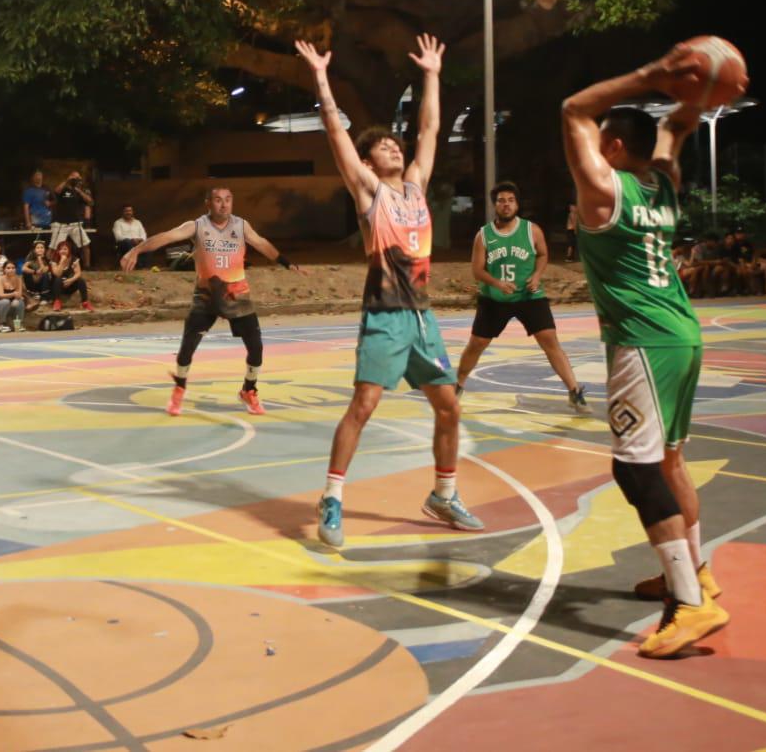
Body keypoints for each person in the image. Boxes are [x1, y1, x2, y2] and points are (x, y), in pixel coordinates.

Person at [560, 41, 729, 659]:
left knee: (633, 468)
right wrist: (691, 103)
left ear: (611, 148)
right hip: (683, 334)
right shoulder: (661, 185)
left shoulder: (605, 192)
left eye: (601, 138)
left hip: (643, 343)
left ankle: (689, 603)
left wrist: (654, 77)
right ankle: (694, 572)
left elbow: (573, 108)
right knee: (669, 464)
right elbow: (675, 131)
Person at [296, 35, 482, 543]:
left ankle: (443, 495)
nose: (395, 148)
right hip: (384, 314)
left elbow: (429, 127)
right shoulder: (367, 190)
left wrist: (433, 74)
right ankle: (332, 497)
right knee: (364, 404)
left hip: (422, 317)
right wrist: (320, 77)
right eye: (383, 146)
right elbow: (335, 130)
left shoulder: (417, 184)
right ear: (369, 161)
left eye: (394, 144)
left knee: (449, 406)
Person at [121, 186, 301, 417]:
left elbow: (262, 243)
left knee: (256, 348)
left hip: (237, 295)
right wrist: (136, 250)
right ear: (208, 203)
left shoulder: (241, 225)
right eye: (217, 200)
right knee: (186, 350)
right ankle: (180, 386)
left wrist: (286, 263)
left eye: (228, 200)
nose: (223, 204)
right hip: (206, 297)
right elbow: (166, 237)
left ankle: (249, 389)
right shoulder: (197, 226)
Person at [455, 181, 587, 414]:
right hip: (495, 298)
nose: (506, 205)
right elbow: (477, 270)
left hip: (529, 295)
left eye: (510, 200)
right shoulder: (483, 235)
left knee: (550, 341)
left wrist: (537, 275)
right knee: (477, 344)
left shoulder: (531, 230)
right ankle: (457, 385)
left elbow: (544, 255)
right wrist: (497, 283)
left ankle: (574, 391)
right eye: (501, 201)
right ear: (495, 205)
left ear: (517, 204)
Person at [49, 172, 93, 267]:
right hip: (61, 223)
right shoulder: (64, 189)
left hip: (75, 223)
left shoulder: (81, 191)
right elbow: (56, 191)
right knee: (54, 247)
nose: (75, 180)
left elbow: (90, 202)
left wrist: (79, 191)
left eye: (77, 178)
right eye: (74, 178)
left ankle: (87, 266)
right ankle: (49, 266)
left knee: (85, 244)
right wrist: (67, 180)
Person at [48, 241, 92, 311]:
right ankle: (57, 302)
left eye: (65, 249)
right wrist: (62, 262)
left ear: (69, 250)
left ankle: (85, 302)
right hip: (57, 286)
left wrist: (71, 280)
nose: (63, 251)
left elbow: (78, 273)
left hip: (70, 284)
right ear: (58, 250)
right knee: (58, 279)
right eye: (61, 249)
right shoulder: (54, 260)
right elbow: (57, 274)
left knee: (81, 280)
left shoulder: (74, 259)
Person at [21, 240, 54, 308]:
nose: (40, 249)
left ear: (45, 249)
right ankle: (34, 294)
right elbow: (23, 268)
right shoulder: (30, 258)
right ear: (34, 250)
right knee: (26, 273)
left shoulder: (47, 259)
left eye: (42, 248)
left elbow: (44, 270)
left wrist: (40, 259)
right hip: (33, 281)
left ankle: (44, 297)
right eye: (38, 248)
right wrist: (34, 272)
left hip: (43, 282)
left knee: (46, 275)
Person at [0, 267, 27, 332]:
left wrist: (16, 298)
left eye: (13, 268)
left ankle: (18, 325)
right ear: (4, 270)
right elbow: (1, 296)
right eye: (8, 268)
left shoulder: (18, 279)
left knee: (20, 302)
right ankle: (2, 325)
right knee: (6, 301)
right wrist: (13, 294)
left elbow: (19, 295)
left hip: (10, 305)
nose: (11, 270)